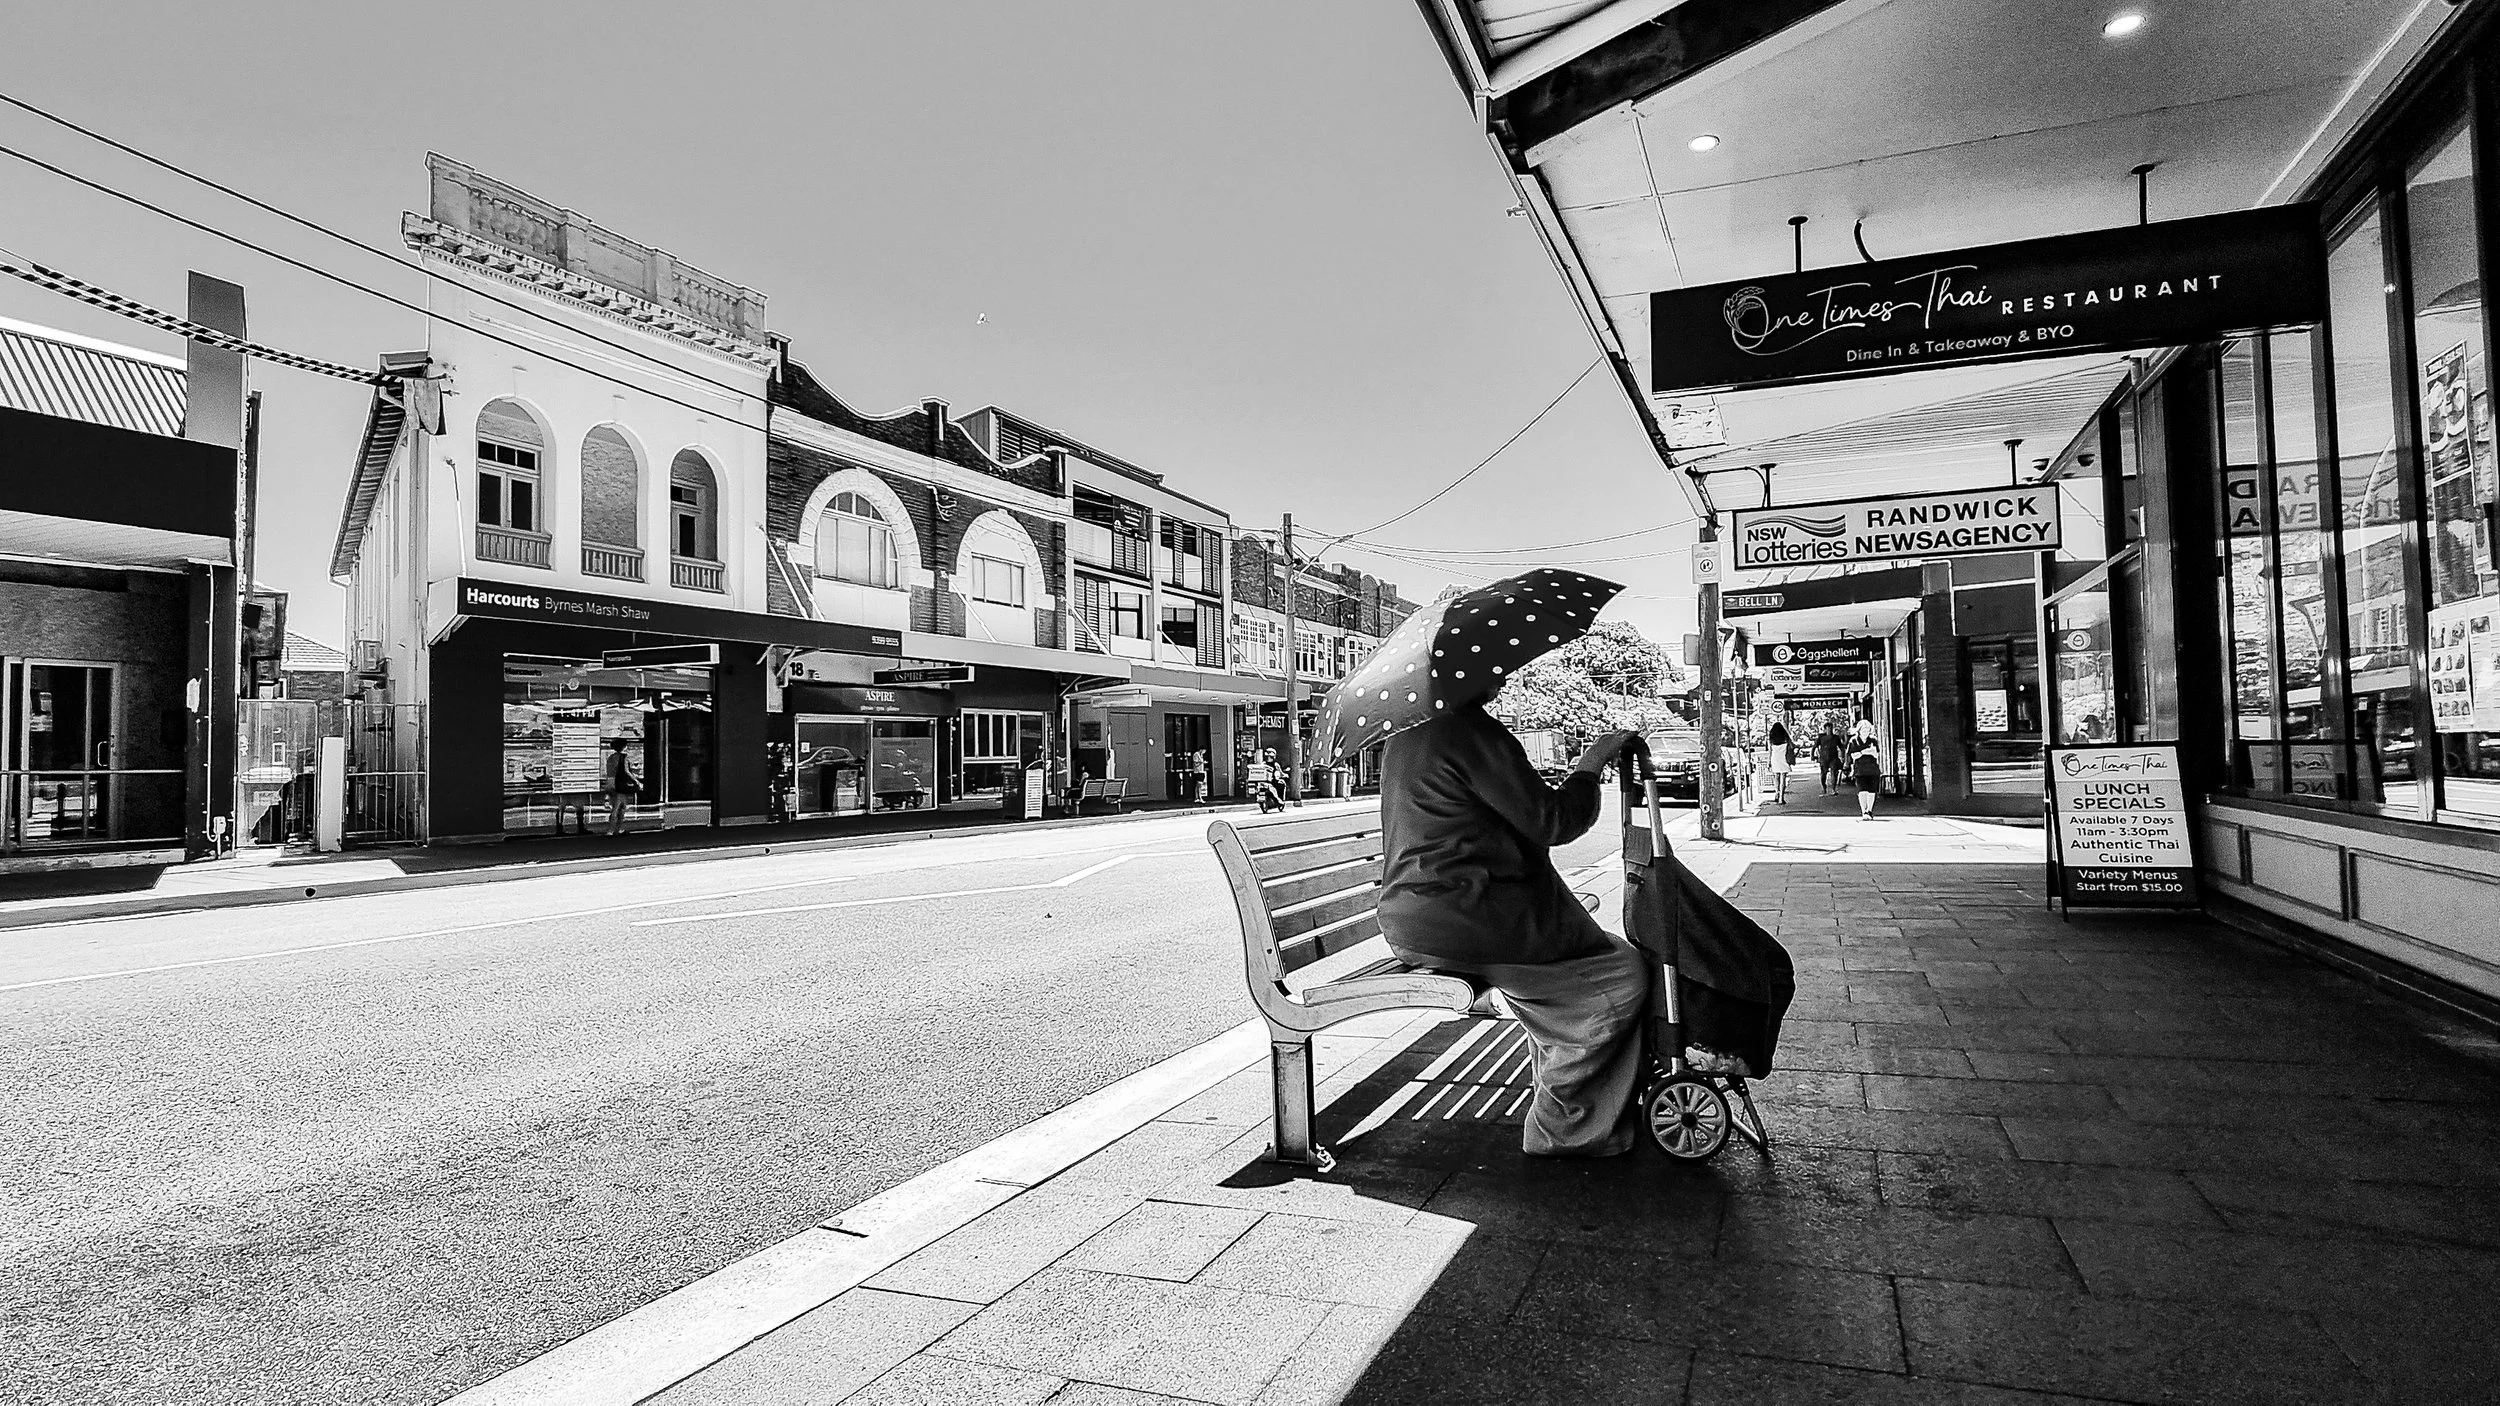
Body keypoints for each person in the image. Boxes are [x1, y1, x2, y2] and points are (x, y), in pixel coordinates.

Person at [1377, 702, 1651, 1157]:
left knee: (1594, 970)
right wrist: (1590, 763)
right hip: (1471, 918)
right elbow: (1555, 820)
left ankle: (1577, 1100)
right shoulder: (1467, 729)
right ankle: (1563, 1128)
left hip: (1417, 918)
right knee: (1621, 977)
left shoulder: (1409, 733)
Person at [602, 739, 639, 835]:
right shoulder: (623, 757)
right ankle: (615, 829)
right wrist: (636, 781)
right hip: (619, 784)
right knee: (620, 807)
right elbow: (627, 771)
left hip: (610, 783)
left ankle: (613, 829)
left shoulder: (610, 757)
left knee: (614, 806)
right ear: (623, 746)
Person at [1850, 729, 1883, 820]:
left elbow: (1876, 754)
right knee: (1862, 791)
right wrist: (1865, 751)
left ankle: (1869, 810)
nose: (1866, 733)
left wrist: (1862, 752)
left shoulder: (1873, 740)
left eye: (1867, 731)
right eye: (1864, 731)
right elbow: (1853, 755)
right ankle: (1863, 811)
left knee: (1872, 791)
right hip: (1860, 770)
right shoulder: (1854, 741)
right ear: (1859, 731)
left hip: (1873, 770)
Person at [1247, 748, 1285, 813]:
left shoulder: (1263, 764)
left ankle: (1276, 801)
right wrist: (1285, 775)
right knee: (1281, 784)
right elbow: (1281, 773)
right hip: (1271, 782)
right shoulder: (1275, 764)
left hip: (1263, 782)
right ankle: (1279, 801)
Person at [1765, 718, 1793, 804]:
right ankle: (1781, 797)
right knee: (1783, 778)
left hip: (1775, 758)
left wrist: (1768, 762)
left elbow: (1770, 752)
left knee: (1776, 777)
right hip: (1783, 758)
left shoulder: (1771, 740)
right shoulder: (1786, 738)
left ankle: (1777, 793)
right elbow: (1791, 746)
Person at [1815, 722, 1845, 796]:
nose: (1829, 730)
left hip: (1833, 757)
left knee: (1834, 772)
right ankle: (1824, 788)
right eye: (1828, 729)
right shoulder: (1821, 737)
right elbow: (1815, 746)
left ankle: (1833, 789)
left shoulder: (1836, 737)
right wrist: (1812, 755)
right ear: (1825, 730)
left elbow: (1841, 747)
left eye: (1831, 729)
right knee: (1823, 774)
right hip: (1824, 758)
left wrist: (1843, 757)